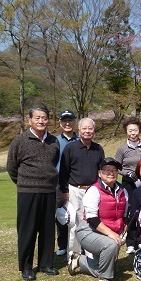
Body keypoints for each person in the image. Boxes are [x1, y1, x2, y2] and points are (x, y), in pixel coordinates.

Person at [6, 106, 60, 281]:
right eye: (37, 118)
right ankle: (26, 266)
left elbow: (54, 163)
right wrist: (24, 182)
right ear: (30, 120)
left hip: (49, 191)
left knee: (47, 230)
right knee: (27, 230)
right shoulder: (20, 140)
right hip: (27, 192)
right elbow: (11, 166)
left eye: (44, 118)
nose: (41, 121)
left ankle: (46, 263)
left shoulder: (53, 141)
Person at [68, 158, 129, 281]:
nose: (111, 173)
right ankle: (105, 278)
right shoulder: (93, 190)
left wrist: (124, 230)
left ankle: (79, 260)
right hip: (89, 231)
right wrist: (112, 234)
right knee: (111, 244)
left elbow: (124, 216)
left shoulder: (123, 191)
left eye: (114, 170)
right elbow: (92, 219)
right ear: (99, 173)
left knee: (99, 267)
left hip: (106, 233)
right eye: (107, 170)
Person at [59, 117, 105, 261]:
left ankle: (91, 254)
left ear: (94, 130)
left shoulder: (98, 149)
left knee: (93, 221)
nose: (87, 131)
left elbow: (102, 171)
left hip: (93, 191)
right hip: (75, 190)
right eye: (84, 128)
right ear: (79, 130)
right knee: (75, 222)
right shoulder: (70, 148)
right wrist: (64, 191)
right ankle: (74, 256)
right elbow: (64, 171)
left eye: (90, 128)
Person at [54, 110, 78, 256]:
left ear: (75, 122)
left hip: (76, 181)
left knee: (78, 213)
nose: (67, 123)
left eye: (70, 120)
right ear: (60, 122)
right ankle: (63, 244)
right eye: (64, 121)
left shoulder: (80, 140)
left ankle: (77, 243)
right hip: (58, 182)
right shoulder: (55, 141)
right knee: (61, 213)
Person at [115, 117, 141, 192]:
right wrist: (127, 173)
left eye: (135, 130)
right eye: (130, 131)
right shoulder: (121, 148)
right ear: (126, 132)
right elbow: (116, 167)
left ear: (139, 131)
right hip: (128, 182)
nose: (133, 133)